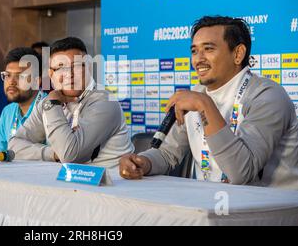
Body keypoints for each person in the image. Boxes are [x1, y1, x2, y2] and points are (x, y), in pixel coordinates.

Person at [119, 16, 298, 190]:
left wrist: (205, 104)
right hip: (213, 205)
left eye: (209, 49)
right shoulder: (197, 94)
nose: (198, 59)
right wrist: (143, 162)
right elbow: (167, 153)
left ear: (238, 54)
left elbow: (241, 173)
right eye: (194, 51)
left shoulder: (267, 96)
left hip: (271, 212)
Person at [9, 37, 134, 168]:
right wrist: (52, 154)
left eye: (77, 66)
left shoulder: (104, 102)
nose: (69, 74)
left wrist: (53, 105)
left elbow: (70, 154)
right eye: (61, 68)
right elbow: (14, 145)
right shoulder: (50, 101)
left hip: (110, 184)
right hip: (70, 184)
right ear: (51, 74)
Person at [0, 47, 46, 152]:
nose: (11, 82)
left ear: (37, 81)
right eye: (7, 75)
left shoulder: (51, 108)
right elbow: (2, 155)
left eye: (20, 76)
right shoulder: (7, 112)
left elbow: (56, 157)